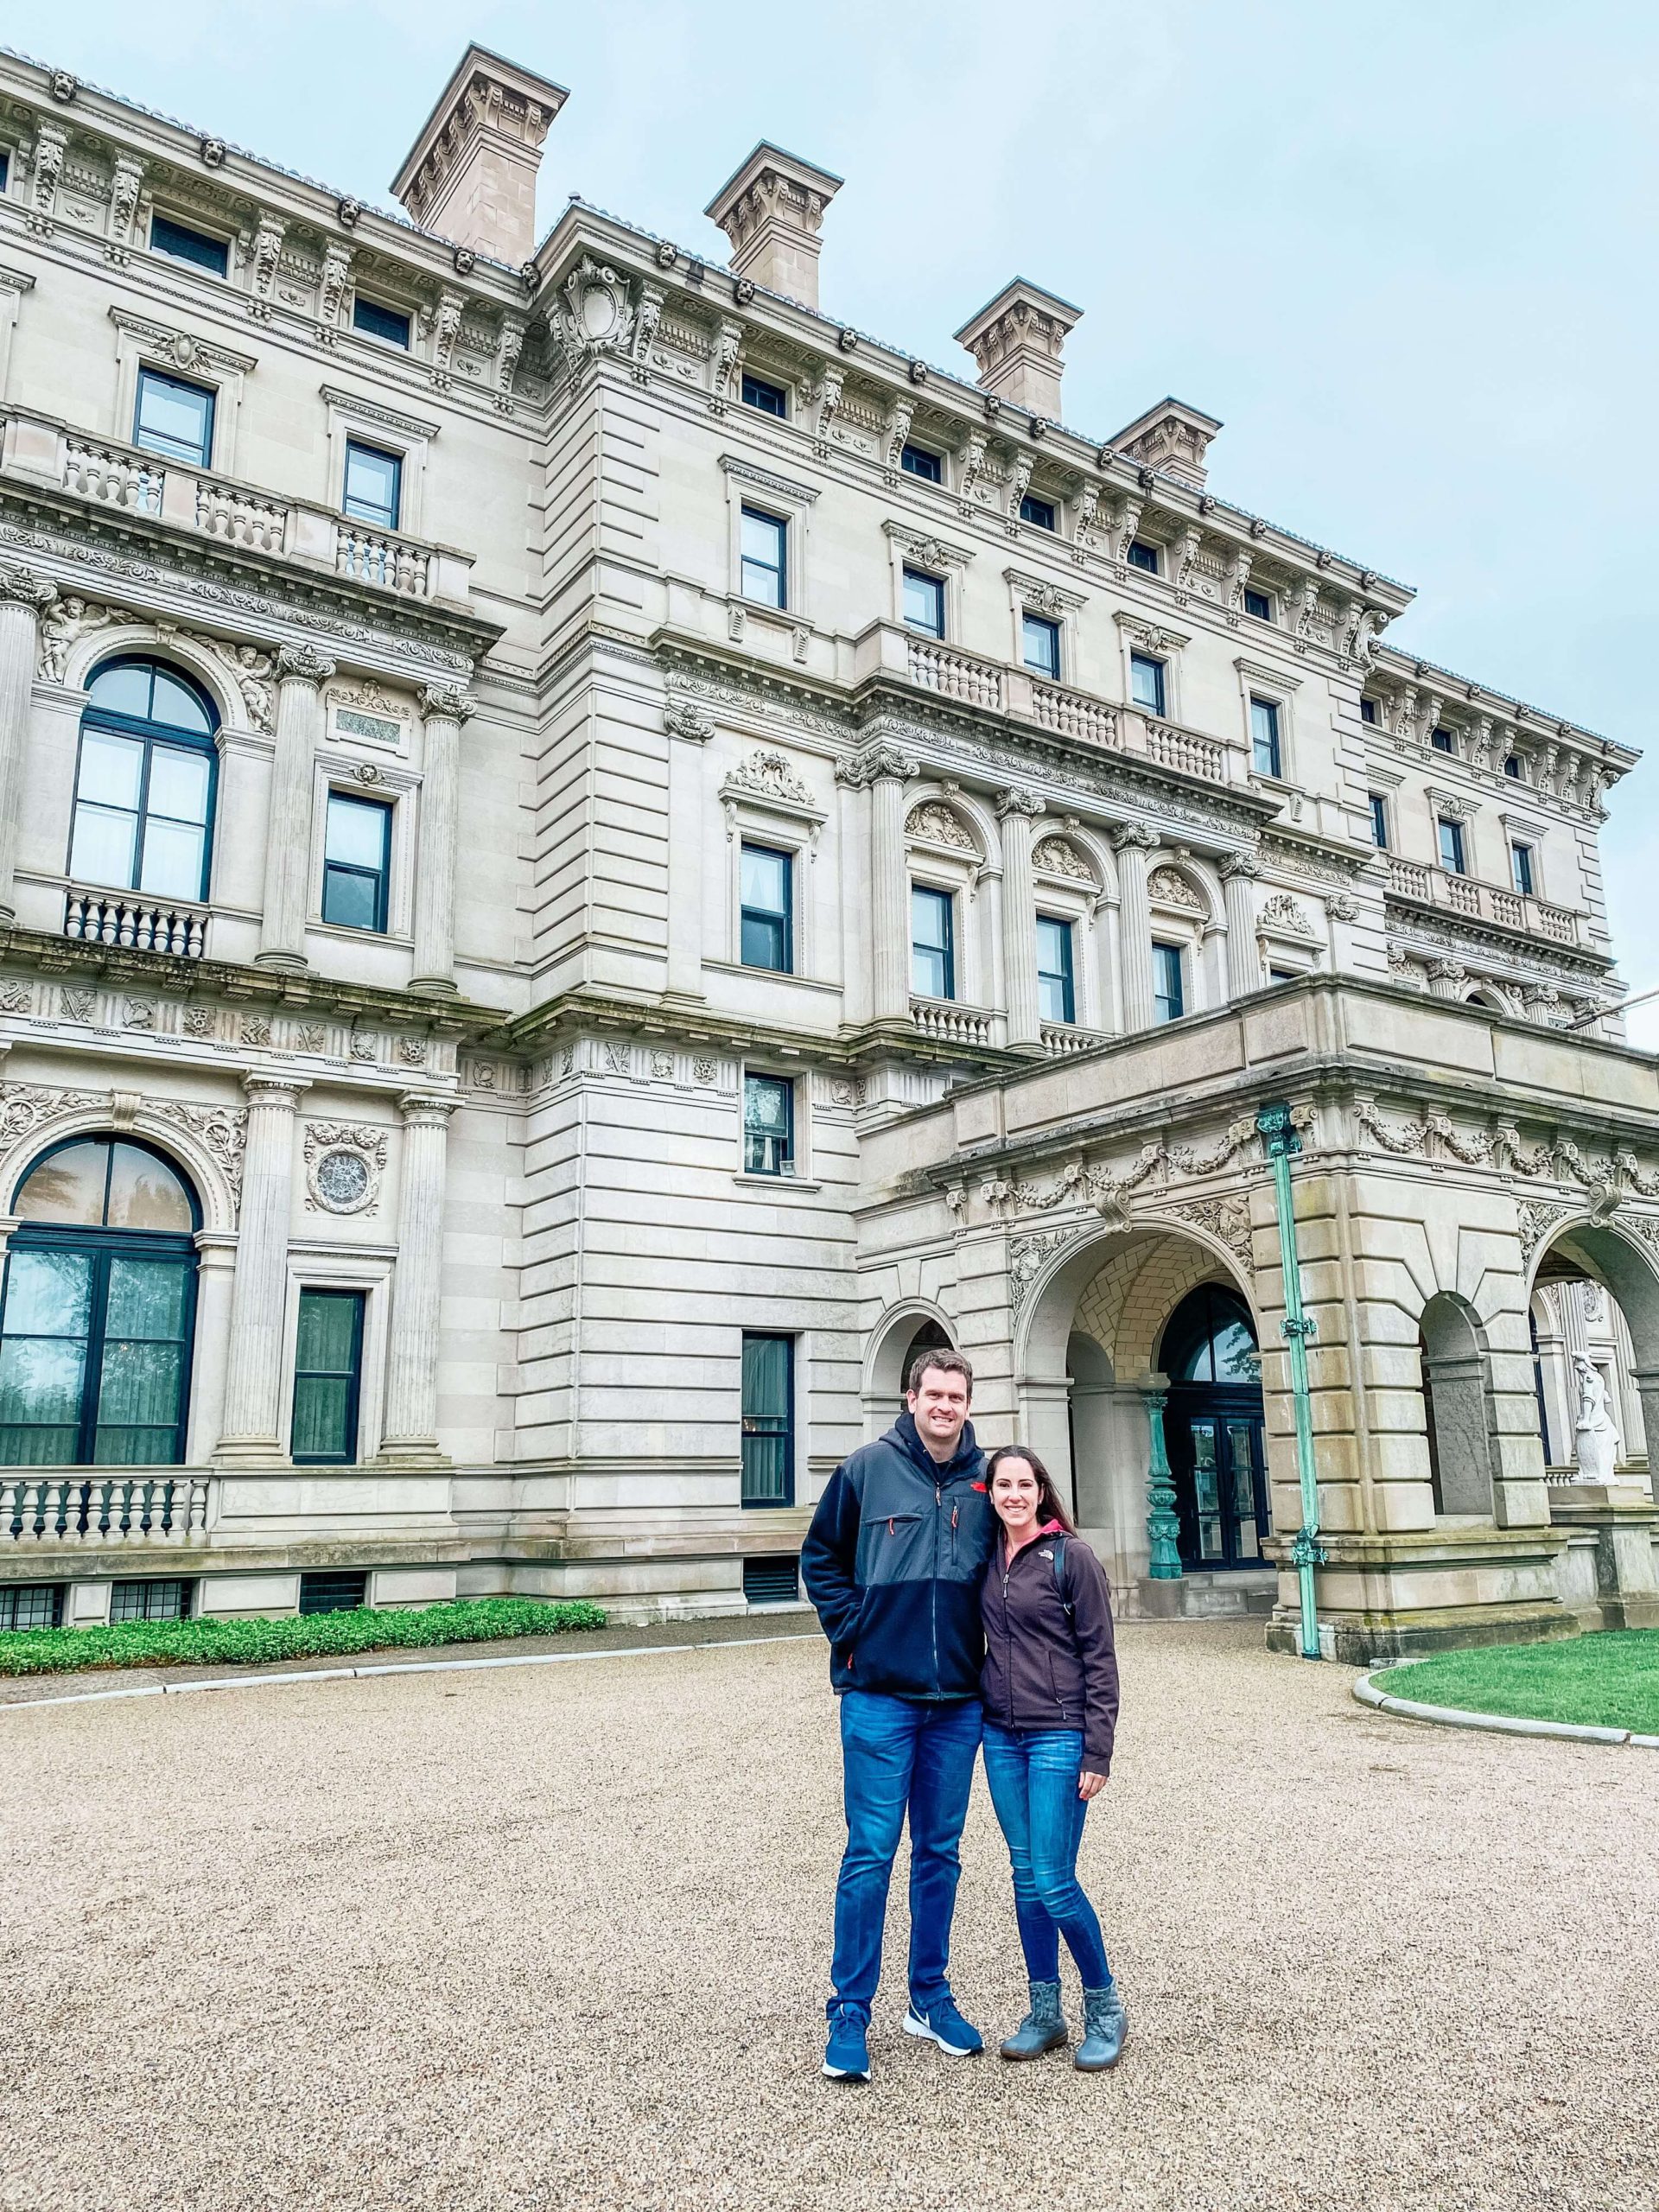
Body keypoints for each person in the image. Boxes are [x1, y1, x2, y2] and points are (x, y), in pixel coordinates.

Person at [800, 1347, 996, 2084]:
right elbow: (821, 1559)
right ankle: (850, 2008)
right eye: (934, 1394)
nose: (945, 1406)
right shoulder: (864, 1468)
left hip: (956, 1705)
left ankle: (929, 1995)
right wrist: (856, 1634)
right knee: (870, 1854)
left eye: (957, 1396)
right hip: (880, 1695)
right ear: (910, 1398)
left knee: (940, 1854)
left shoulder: (986, 1479)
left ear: (968, 1404)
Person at [978, 1445, 1126, 2072]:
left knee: (1055, 1881)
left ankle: (1106, 2009)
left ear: (1041, 1492)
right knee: (1023, 1874)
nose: (1014, 1494)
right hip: (1000, 1736)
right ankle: (1045, 2013)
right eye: (1002, 1485)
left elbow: (1101, 1658)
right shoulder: (986, 1559)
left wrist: (1099, 1749)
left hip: (1059, 1737)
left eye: (1024, 1484)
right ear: (989, 1494)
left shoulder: (1073, 1558)